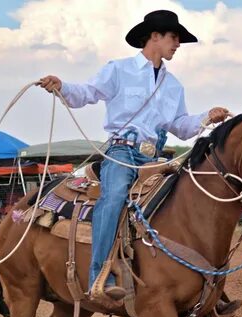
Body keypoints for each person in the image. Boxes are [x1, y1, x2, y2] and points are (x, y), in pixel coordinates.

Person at [39, 10, 230, 300]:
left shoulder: (174, 85)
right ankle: (100, 275)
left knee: (187, 199)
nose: (178, 44)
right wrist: (62, 86)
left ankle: (198, 285)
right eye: (174, 37)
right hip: (122, 152)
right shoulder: (118, 69)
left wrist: (207, 117)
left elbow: (179, 126)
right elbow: (87, 93)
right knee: (114, 196)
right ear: (154, 36)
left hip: (156, 159)